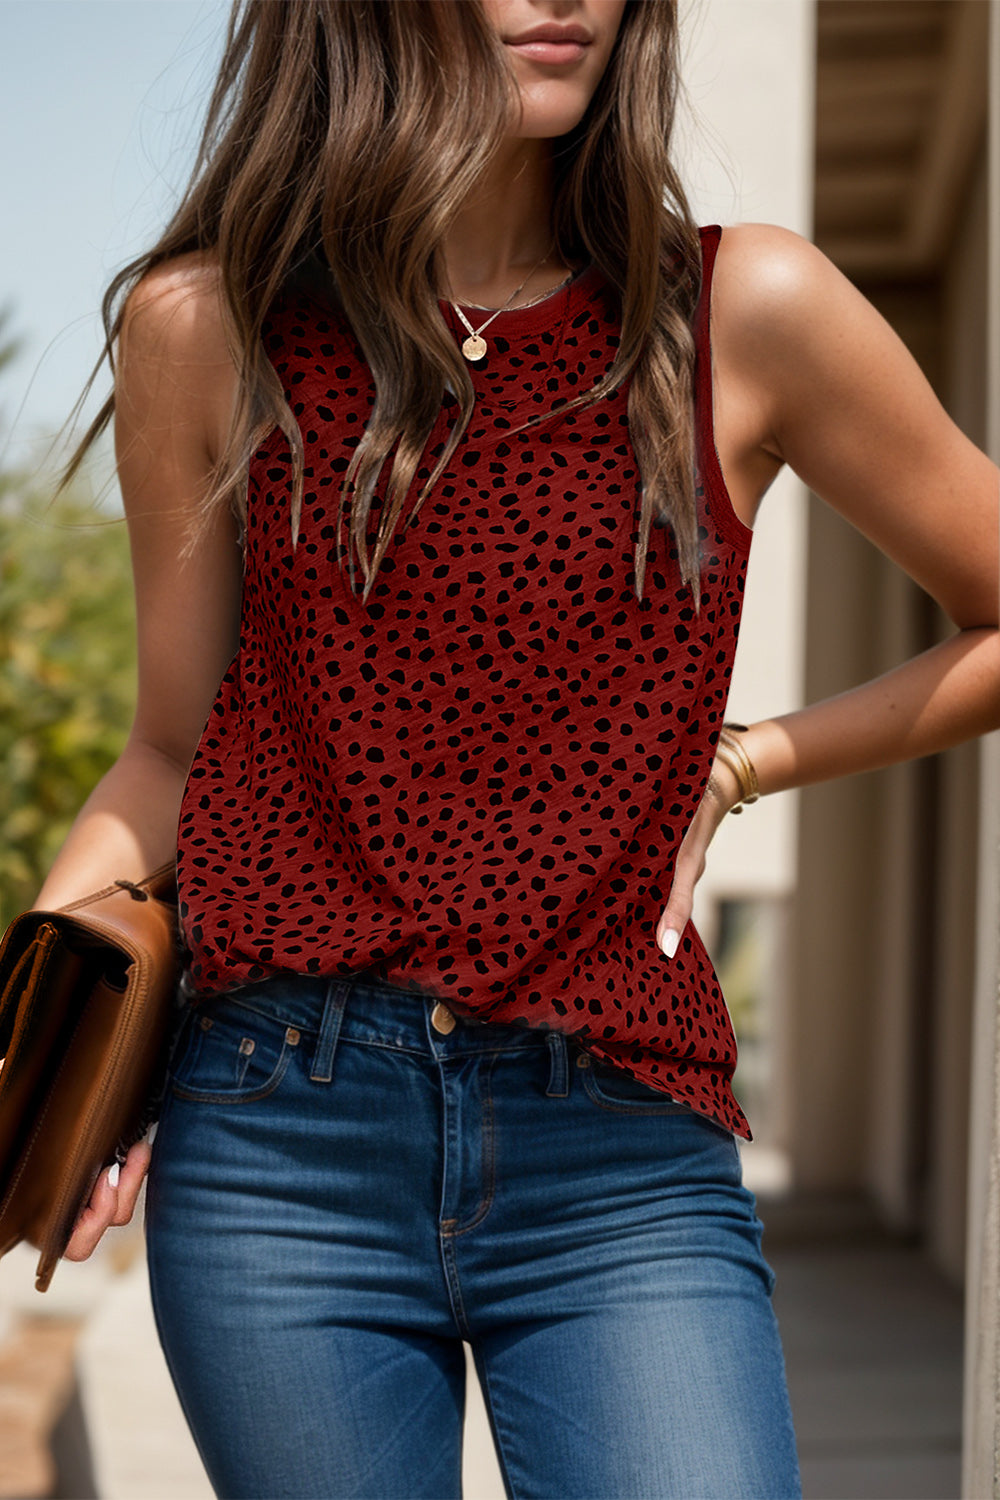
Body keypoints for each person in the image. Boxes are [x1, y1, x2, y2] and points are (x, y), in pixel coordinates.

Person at [32, 1, 998, 1496]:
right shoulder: (206, 328)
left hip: (619, 1144)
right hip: (281, 1143)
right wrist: (45, 1009)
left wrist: (753, 761)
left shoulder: (748, 308)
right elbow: (171, 750)